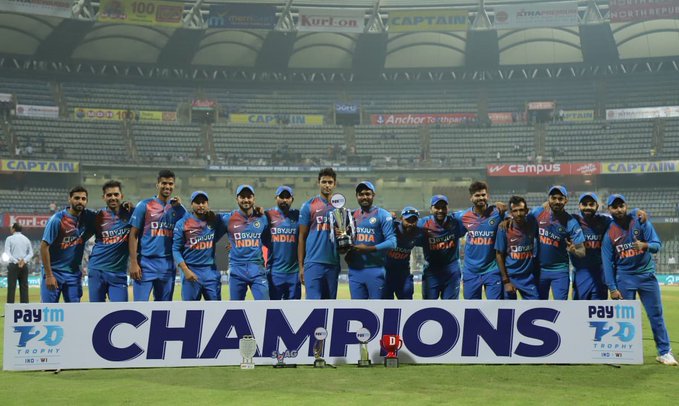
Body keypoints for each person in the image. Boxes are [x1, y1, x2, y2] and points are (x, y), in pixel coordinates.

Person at [602, 194, 677, 366]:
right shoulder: (609, 234)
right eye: (615, 207)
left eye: (621, 206)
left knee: (656, 315)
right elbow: (607, 263)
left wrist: (645, 246)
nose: (619, 210)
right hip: (624, 278)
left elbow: (657, 245)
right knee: (623, 319)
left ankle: (664, 352)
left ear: (626, 206)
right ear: (609, 210)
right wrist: (612, 288)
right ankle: (622, 352)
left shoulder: (640, 222)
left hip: (646, 277)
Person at [129, 169, 186, 301]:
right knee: (140, 307)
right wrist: (133, 262)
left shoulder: (177, 209)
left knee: (163, 310)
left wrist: (181, 207)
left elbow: (192, 227)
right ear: (157, 185)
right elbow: (133, 234)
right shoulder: (145, 205)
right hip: (146, 264)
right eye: (164, 183)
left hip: (167, 264)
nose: (167, 186)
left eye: (170, 184)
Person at [40, 185, 95, 303]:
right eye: (77, 198)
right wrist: (49, 275)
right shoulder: (57, 219)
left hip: (74, 274)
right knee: (49, 313)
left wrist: (83, 238)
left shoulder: (87, 217)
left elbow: (104, 217)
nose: (80, 201)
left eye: (83, 199)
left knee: (74, 314)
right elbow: (44, 247)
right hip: (54, 272)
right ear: (69, 199)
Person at [531, 185, 585, 300]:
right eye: (553, 198)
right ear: (548, 199)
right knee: (538, 306)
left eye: (560, 198)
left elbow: (582, 252)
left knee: (561, 308)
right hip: (539, 269)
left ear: (566, 200)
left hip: (560, 271)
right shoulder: (537, 213)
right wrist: (505, 219)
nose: (557, 201)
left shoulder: (571, 222)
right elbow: (519, 221)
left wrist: (574, 250)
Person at [345, 181, 396, 299]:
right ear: (357, 196)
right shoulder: (350, 216)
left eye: (368, 194)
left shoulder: (383, 215)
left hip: (375, 269)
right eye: (361, 194)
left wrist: (368, 249)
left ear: (373, 195)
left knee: (377, 310)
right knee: (357, 312)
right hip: (355, 271)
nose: (364, 197)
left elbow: (392, 242)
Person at [173, 191, 226, 301]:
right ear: (192, 204)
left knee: (216, 311)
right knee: (190, 311)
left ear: (208, 204)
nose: (201, 205)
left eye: (203, 202)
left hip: (210, 271)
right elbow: (175, 249)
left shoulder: (215, 220)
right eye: (197, 202)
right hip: (191, 270)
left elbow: (232, 226)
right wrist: (185, 270)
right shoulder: (182, 223)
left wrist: (230, 242)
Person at [298, 168, 341, 299]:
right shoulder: (308, 206)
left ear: (335, 184)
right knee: (312, 305)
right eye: (324, 182)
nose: (327, 185)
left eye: (330, 182)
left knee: (330, 306)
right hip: (313, 263)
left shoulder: (339, 207)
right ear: (318, 183)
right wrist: (301, 266)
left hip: (333, 263)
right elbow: (302, 237)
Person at [458, 181, 505, 300]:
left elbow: (515, 216)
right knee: (471, 309)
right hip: (471, 271)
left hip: (492, 270)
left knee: (495, 308)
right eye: (477, 195)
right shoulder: (463, 217)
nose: (481, 198)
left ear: (487, 196)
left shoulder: (498, 213)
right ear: (471, 198)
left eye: (483, 195)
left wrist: (506, 216)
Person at [222, 184, 269, 300]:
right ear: (237, 199)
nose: (246, 200)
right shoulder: (227, 219)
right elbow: (214, 234)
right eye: (242, 197)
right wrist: (223, 246)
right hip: (237, 270)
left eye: (249, 197)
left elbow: (269, 240)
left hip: (257, 269)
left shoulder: (263, 218)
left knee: (265, 308)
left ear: (254, 199)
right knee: (235, 311)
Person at [87, 180, 132, 302]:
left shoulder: (131, 215)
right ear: (103, 197)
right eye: (109, 195)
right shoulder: (97, 217)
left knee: (121, 312)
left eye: (116, 194)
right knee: (96, 313)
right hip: (97, 270)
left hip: (118, 273)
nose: (113, 198)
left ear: (121, 196)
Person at [418, 195, 466, 299]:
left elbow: (475, 215)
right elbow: (405, 226)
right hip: (431, 270)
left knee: (451, 307)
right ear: (431, 209)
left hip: (451, 270)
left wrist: (495, 209)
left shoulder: (456, 222)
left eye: (443, 207)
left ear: (448, 209)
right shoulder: (422, 224)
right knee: (428, 308)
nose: (440, 210)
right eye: (437, 207)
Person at [495, 196, 539, 300]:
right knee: (507, 311)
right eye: (515, 211)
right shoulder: (503, 229)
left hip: (528, 277)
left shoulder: (532, 222)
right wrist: (506, 281)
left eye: (521, 210)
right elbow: (499, 254)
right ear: (511, 213)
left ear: (527, 211)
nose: (518, 214)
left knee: (535, 307)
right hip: (511, 277)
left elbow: (546, 207)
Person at [265, 186, 301, 300]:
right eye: (281, 197)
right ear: (276, 198)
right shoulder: (267, 216)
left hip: (294, 273)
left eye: (287, 197)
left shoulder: (298, 216)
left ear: (292, 199)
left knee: (294, 312)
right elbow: (254, 234)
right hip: (274, 273)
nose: (284, 200)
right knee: (274, 312)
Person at [384, 207, 422, 299]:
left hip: (403, 273)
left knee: (407, 300)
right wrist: (386, 216)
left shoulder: (419, 233)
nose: (410, 223)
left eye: (414, 220)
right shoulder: (391, 227)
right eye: (408, 220)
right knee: (385, 304)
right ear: (401, 219)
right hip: (386, 273)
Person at [4, 223, 33, 304]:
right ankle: (24, 310)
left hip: (13, 265)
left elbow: (7, 252)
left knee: (11, 288)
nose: (10, 229)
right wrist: (24, 261)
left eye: (11, 227)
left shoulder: (9, 238)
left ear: (14, 229)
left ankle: (10, 310)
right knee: (24, 288)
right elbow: (31, 253)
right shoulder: (26, 239)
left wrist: (16, 261)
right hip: (24, 266)